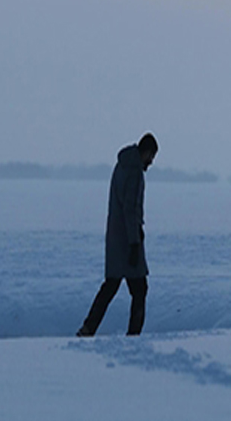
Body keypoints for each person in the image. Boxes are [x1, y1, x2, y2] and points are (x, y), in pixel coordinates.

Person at [77, 133, 158, 337]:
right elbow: (130, 209)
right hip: (127, 242)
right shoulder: (135, 172)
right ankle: (133, 337)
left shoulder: (121, 166)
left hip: (116, 239)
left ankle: (88, 328)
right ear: (146, 152)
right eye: (151, 157)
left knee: (111, 286)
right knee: (140, 290)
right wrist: (134, 243)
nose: (151, 162)